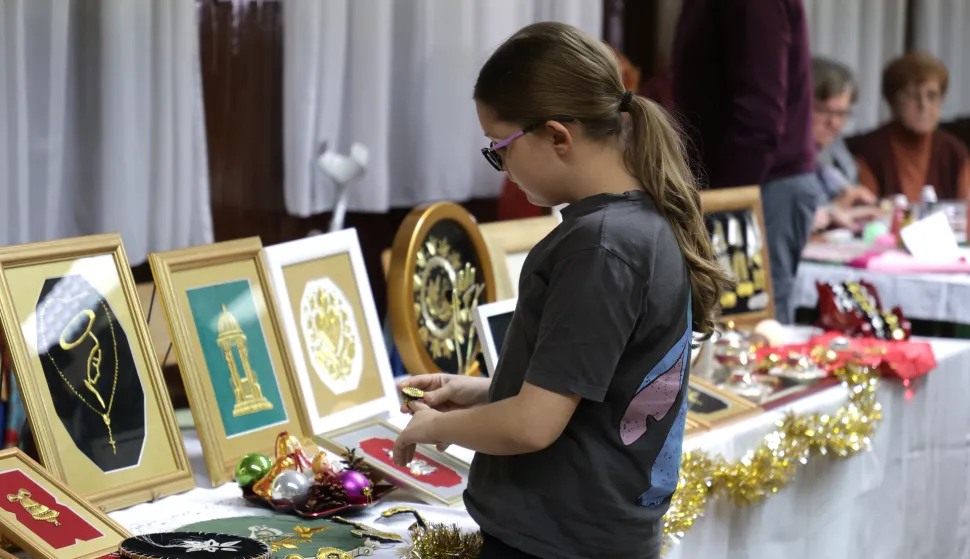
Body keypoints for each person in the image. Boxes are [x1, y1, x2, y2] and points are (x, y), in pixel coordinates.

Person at [393, 22, 727, 559]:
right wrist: (483, 391)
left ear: (557, 136)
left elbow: (533, 425)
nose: (501, 166)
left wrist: (434, 427)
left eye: (499, 148)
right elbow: (596, 391)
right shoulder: (639, 225)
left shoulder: (600, 246)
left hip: (555, 542)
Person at [672, 0, 820, 324]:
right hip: (746, 182)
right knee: (730, 323)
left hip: (758, 184)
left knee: (750, 329)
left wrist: (723, 203)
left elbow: (759, 117)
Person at [848, 52, 970, 202]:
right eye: (912, 95)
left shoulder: (955, 153)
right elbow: (865, 211)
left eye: (932, 96)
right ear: (893, 101)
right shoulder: (869, 151)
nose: (923, 105)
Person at [810, 57, 882, 233]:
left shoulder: (836, 148)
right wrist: (833, 210)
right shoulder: (778, 157)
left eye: (841, 113)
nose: (834, 123)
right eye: (822, 111)